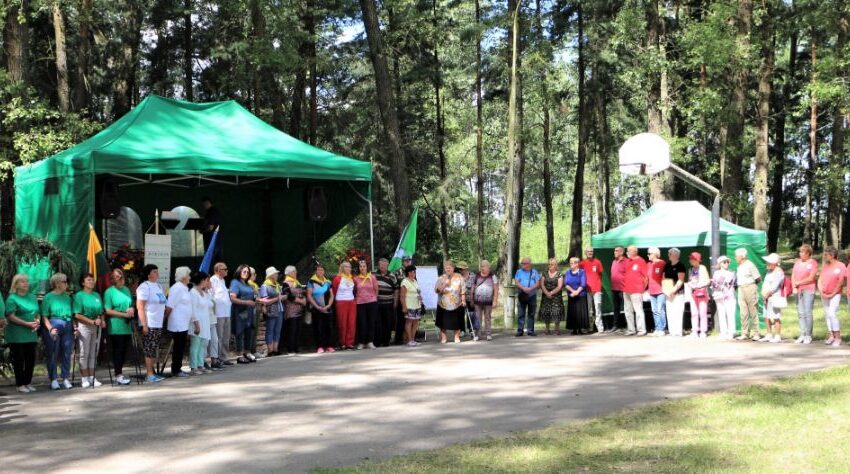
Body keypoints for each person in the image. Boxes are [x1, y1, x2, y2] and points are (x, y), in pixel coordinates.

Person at [4, 274, 38, 393]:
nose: (26, 284)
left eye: (27, 281)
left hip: (31, 333)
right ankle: (20, 384)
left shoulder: (32, 297)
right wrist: (27, 324)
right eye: (23, 282)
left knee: (31, 360)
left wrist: (37, 321)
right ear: (16, 284)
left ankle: (27, 382)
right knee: (19, 360)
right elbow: (10, 316)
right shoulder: (12, 298)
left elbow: (36, 313)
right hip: (17, 334)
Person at [40, 273, 75, 390]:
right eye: (64, 282)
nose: (66, 284)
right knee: (53, 353)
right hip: (54, 325)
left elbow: (72, 314)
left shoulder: (67, 297)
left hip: (68, 326)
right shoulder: (48, 297)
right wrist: (50, 328)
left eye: (66, 281)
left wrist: (74, 327)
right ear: (57, 283)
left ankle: (65, 378)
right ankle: (53, 379)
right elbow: (44, 316)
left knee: (67, 352)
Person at [103, 268, 135, 385]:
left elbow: (131, 304)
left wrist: (131, 309)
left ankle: (120, 373)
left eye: (121, 276)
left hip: (127, 326)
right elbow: (107, 310)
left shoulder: (126, 289)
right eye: (117, 276)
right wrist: (124, 314)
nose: (120, 278)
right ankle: (118, 375)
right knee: (118, 351)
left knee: (124, 351)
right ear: (113, 279)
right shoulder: (109, 292)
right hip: (116, 326)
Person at [74, 272, 106, 387]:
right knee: (84, 353)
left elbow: (101, 311)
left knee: (93, 353)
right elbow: (77, 314)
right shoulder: (79, 295)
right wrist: (91, 321)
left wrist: (102, 320)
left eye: (92, 280)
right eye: (88, 280)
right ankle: (84, 378)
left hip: (95, 327)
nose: (91, 282)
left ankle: (92, 378)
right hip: (84, 326)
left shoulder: (97, 295)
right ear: (83, 282)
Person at [136, 264, 167, 383]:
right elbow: (140, 307)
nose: (157, 273)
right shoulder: (144, 287)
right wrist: (144, 324)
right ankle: (149, 374)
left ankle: (152, 372)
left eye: (157, 271)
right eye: (154, 271)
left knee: (154, 348)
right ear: (148, 274)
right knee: (149, 348)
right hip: (149, 322)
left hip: (158, 323)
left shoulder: (159, 286)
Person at [166, 266, 192, 377]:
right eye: (188, 275)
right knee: (178, 347)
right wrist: (165, 318)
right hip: (177, 323)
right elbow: (170, 306)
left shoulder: (184, 288)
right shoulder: (177, 288)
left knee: (181, 346)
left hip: (183, 323)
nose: (190, 277)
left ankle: (178, 368)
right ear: (183, 277)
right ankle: (176, 369)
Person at [230, 265, 257, 363]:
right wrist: (246, 302)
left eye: (247, 272)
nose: (246, 273)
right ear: (239, 271)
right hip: (239, 312)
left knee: (249, 332)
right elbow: (232, 298)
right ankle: (239, 355)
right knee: (240, 333)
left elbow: (253, 296)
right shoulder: (235, 283)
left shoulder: (247, 284)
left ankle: (247, 352)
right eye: (244, 271)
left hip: (249, 312)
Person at [818, 246, 845, 347]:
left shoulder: (841, 266)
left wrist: (832, 294)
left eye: (826, 255)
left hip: (835, 294)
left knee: (832, 313)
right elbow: (820, 279)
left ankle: (838, 337)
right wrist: (821, 291)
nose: (824, 256)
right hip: (824, 294)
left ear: (832, 255)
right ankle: (831, 335)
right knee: (827, 314)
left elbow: (841, 282)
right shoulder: (825, 265)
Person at [792, 244, 817, 344]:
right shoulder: (797, 262)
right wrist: (794, 286)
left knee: (807, 312)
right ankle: (802, 334)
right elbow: (793, 274)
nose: (800, 253)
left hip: (808, 290)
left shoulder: (813, 263)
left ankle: (808, 335)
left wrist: (799, 283)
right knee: (801, 313)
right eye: (800, 252)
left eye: (802, 252)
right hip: (798, 290)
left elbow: (811, 278)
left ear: (808, 253)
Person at [435, 260, 466, 343]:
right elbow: (437, 291)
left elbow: (463, 290)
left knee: (457, 321)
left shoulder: (459, 277)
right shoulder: (441, 278)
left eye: (450, 267)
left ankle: (456, 337)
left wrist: (463, 300)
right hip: (443, 304)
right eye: (446, 268)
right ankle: (444, 337)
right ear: (444, 269)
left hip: (457, 304)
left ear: (453, 268)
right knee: (443, 322)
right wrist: (445, 284)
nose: (448, 269)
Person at [188, 272, 213, 375]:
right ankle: (193, 367)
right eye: (207, 280)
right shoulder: (193, 292)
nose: (208, 282)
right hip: (197, 322)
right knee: (195, 345)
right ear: (202, 280)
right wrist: (196, 324)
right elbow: (193, 310)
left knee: (202, 345)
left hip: (205, 322)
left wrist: (207, 290)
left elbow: (210, 304)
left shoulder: (204, 293)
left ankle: (200, 364)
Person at [735, 248, 762, 341]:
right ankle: (745, 333)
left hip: (750, 287)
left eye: (736, 256)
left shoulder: (750, 264)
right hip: (740, 288)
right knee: (743, 312)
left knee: (753, 310)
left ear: (742, 256)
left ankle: (756, 333)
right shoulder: (739, 266)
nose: (735, 258)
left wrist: (751, 285)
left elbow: (758, 278)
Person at [306, 264, 335, 353]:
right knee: (318, 328)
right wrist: (317, 307)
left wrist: (328, 305)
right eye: (318, 270)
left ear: (324, 271)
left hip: (327, 308)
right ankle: (320, 346)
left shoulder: (328, 282)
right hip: (316, 309)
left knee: (328, 328)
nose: (320, 271)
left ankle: (329, 346)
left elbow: (332, 295)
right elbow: (309, 295)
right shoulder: (311, 281)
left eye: (322, 270)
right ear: (316, 271)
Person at [282, 265, 308, 355]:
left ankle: (296, 348)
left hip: (299, 309)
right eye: (294, 271)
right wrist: (301, 301)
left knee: (298, 329)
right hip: (291, 310)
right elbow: (288, 296)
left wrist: (304, 299)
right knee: (292, 330)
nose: (296, 273)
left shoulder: (297, 282)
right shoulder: (285, 283)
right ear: (289, 273)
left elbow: (302, 292)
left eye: (295, 271)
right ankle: (290, 349)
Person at [622, 246, 648, 336]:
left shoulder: (641, 261)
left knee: (638, 310)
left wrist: (642, 289)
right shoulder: (627, 261)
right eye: (627, 251)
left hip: (637, 290)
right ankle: (631, 329)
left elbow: (646, 277)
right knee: (628, 311)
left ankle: (641, 330)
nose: (627, 252)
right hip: (626, 290)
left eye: (628, 251)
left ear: (635, 251)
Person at [760, 253, 785, 343]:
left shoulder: (779, 272)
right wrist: (763, 293)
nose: (767, 263)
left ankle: (777, 336)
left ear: (774, 263)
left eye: (769, 262)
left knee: (776, 316)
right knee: (766, 315)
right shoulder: (769, 271)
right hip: (766, 296)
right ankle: (769, 334)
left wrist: (767, 294)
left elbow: (775, 286)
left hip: (775, 297)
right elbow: (765, 283)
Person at [259, 266, 284, 356]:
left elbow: (280, 297)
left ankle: (275, 349)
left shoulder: (277, 284)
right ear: (271, 275)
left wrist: (281, 298)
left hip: (280, 309)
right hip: (271, 310)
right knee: (270, 330)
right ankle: (270, 351)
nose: (277, 275)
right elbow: (264, 300)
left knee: (277, 330)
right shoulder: (265, 286)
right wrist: (278, 298)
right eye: (275, 273)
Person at [354, 260, 379, 350]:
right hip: (360, 303)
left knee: (371, 322)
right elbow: (354, 291)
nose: (362, 268)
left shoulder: (372, 277)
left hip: (372, 302)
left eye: (364, 266)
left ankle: (370, 342)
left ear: (366, 267)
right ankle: (361, 342)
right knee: (362, 323)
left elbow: (376, 289)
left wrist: (374, 298)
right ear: (359, 268)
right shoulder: (356, 278)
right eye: (360, 266)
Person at [210, 262, 231, 368]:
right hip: (218, 313)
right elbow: (211, 296)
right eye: (225, 269)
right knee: (219, 337)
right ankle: (217, 358)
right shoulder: (213, 280)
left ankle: (224, 357)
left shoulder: (223, 280)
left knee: (226, 336)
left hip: (227, 312)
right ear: (218, 270)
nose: (227, 270)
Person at [472, 260, 499, 341]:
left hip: (488, 301)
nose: (482, 268)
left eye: (484, 266)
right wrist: (472, 298)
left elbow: (496, 289)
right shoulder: (476, 275)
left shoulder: (493, 276)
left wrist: (495, 300)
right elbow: (473, 287)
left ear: (488, 267)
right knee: (478, 318)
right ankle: (478, 334)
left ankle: (488, 334)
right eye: (481, 266)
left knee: (487, 318)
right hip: (477, 301)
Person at [711, 256, 737, 340]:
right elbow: (714, 284)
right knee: (721, 314)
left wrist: (727, 291)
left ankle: (731, 332)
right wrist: (721, 288)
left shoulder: (732, 272)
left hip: (730, 296)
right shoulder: (716, 273)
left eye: (727, 262)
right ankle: (723, 332)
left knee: (730, 314)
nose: (726, 263)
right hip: (719, 296)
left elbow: (734, 284)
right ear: (720, 264)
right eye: (724, 262)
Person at [332, 261, 357, 350]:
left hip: (351, 302)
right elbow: (334, 291)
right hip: (341, 302)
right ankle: (342, 342)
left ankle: (349, 343)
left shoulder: (352, 278)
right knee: (342, 323)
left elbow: (354, 291)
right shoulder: (337, 279)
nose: (348, 268)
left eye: (349, 267)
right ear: (342, 268)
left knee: (351, 323)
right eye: (346, 267)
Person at [375, 258, 399, 347]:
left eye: (384, 265)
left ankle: (386, 341)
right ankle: (377, 341)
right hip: (377, 303)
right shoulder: (373, 274)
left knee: (388, 323)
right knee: (378, 323)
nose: (383, 266)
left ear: (387, 265)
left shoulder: (392, 275)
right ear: (378, 265)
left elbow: (396, 289)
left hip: (389, 303)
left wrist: (395, 301)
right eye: (381, 265)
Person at [580, 247, 605, 333]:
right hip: (587, 290)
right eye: (588, 251)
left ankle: (599, 328)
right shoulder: (582, 263)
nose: (590, 253)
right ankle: (589, 327)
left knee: (598, 308)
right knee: (589, 310)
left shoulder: (597, 262)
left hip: (597, 289)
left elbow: (600, 274)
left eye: (591, 251)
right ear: (585, 253)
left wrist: (598, 284)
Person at [514, 257, 540, 337]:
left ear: (529, 264)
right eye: (522, 263)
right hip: (522, 294)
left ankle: (530, 330)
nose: (522, 265)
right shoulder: (519, 272)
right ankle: (520, 330)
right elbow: (517, 282)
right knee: (521, 313)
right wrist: (524, 288)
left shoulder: (534, 272)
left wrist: (530, 289)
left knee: (531, 313)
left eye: (524, 263)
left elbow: (537, 283)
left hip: (532, 295)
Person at [663, 248, 687, 337]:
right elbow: (664, 278)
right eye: (669, 253)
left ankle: (678, 332)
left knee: (678, 312)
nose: (668, 255)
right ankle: (672, 331)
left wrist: (673, 291)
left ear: (676, 255)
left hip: (678, 293)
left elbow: (680, 280)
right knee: (669, 312)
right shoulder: (667, 265)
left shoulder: (681, 265)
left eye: (670, 253)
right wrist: (666, 291)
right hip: (668, 292)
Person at [538, 258, 565, 335]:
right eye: (549, 264)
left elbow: (560, 286)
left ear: (556, 265)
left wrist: (551, 293)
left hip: (556, 297)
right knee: (546, 312)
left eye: (552, 264)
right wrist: (547, 293)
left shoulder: (559, 274)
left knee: (556, 312)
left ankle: (557, 329)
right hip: (546, 296)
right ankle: (547, 329)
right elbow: (542, 284)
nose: (550, 266)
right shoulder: (544, 273)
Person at [687, 253, 710, 339]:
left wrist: (699, 285)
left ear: (697, 260)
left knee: (702, 312)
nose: (690, 260)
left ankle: (703, 331)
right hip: (693, 293)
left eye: (692, 259)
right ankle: (695, 331)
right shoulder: (691, 269)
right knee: (694, 313)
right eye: (690, 259)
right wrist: (690, 284)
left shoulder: (703, 268)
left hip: (702, 293)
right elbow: (690, 280)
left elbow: (707, 281)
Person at [565, 257, 590, 335]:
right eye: (570, 263)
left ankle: (580, 329)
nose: (571, 264)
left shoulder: (582, 272)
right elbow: (565, 284)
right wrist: (573, 291)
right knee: (573, 312)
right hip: (571, 295)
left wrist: (577, 292)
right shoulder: (567, 272)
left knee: (580, 312)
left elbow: (583, 284)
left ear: (577, 264)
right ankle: (574, 329)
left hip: (581, 295)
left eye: (573, 263)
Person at [400, 265, 423, 346]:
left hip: (417, 305)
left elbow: (417, 292)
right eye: (411, 272)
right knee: (409, 322)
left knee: (415, 322)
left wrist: (420, 298)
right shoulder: (404, 282)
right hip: (409, 305)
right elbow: (402, 296)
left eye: (414, 271)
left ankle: (413, 339)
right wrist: (404, 307)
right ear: (407, 273)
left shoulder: (415, 281)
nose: (413, 273)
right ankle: (409, 340)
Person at [392, 256, 414, 345]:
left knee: (411, 319)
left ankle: (410, 338)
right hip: (402, 299)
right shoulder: (397, 272)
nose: (407, 262)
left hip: (412, 300)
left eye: (409, 261)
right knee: (401, 320)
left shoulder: (412, 272)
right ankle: (398, 339)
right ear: (402, 262)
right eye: (406, 261)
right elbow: (395, 287)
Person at [646, 247, 667, 336]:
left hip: (660, 290)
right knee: (654, 310)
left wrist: (666, 289)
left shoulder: (662, 263)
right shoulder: (648, 264)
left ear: (655, 254)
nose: (648, 255)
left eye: (649, 254)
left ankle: (662, 329)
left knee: (660, 310)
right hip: (651, 290)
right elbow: (646, 277)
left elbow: (665, 277)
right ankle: (657, 328)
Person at [457, 261, 479, 340]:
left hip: (471, 298)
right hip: (460, 299)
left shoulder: (473, 276)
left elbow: (475, 287)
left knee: (471, 314)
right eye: (459, 269)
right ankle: (462, 330)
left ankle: (471, 330)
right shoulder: (458, 277)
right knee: (460, 315)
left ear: (465, 269)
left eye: (461, 269)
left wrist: (473, 298)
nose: (460, 270)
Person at [609, 246, 628, 332]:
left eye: (617, 251)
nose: (615, 252)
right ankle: (615, 325)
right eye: (614, 250)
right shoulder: (614, 261)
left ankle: (629, 325)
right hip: (614, 289)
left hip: (623, 289)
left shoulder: (626, 261)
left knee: (627, 308)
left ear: (622, 252)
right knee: (616, 308)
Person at [201, 196, 223, 261]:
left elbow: (210, 227)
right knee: (219, 260)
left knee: (210, 260)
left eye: (203, 204)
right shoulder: (216, 211)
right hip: (218, 240)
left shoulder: (211, 212)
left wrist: (202, 231)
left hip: (212, 240)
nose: (203, 206)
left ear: (207, 203)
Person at [247, 267, 262, 359]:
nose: (255, 275)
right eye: (254, 274)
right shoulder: (248, 284)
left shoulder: (254, 285)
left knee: (255, 331)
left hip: (256, 309)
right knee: (250, 331)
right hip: (250, 310)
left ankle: (253, 350)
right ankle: (249, 351)